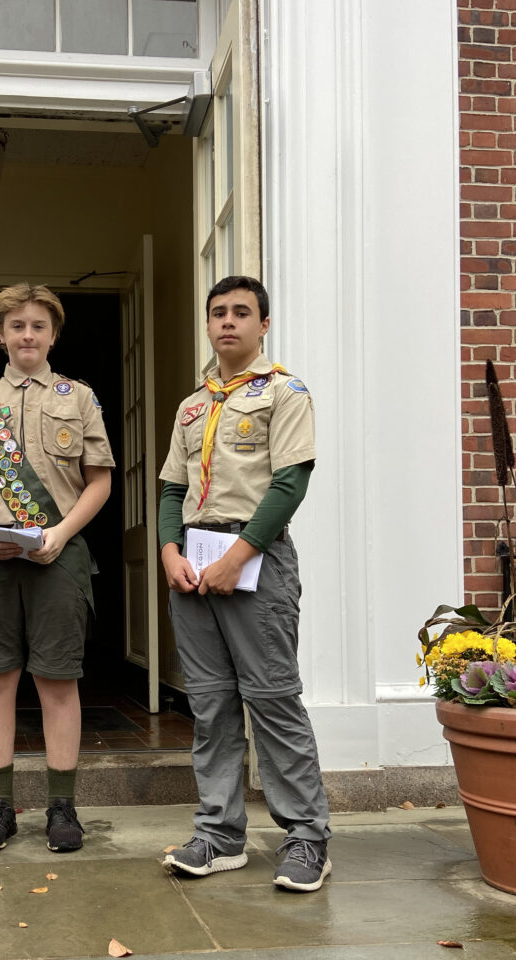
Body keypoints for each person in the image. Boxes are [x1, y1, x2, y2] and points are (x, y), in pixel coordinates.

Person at [157, 275, 332, 892]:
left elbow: (290, 483)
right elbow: (173, 489)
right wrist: (169, 549)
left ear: (263, 325)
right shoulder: (192, 405)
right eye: (217, 313)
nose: (227, 322)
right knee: (209, 704)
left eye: (241, 313)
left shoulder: (285, 392)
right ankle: (219, 834)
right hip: (195, 565)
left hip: (254, 560)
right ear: (208, 326)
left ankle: (307, 838)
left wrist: (240, 554)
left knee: (272, 699)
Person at [0, 283, 114, 853]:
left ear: (54, 334)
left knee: (59, 680)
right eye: (17, 326)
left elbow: (100, 481)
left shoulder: (79, 398)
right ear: (1, 335)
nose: (27, 335)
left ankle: (62, 806)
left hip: (59, 558)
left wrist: (61, 534)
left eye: (38, 325)